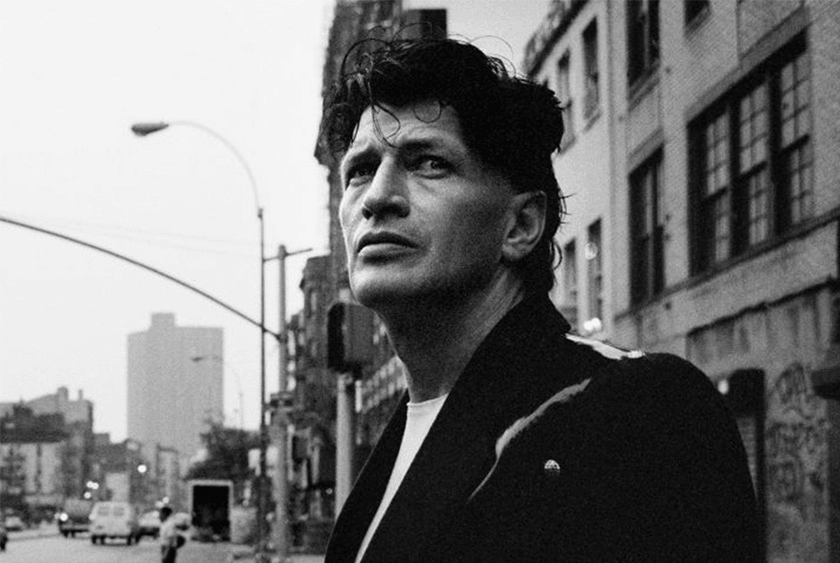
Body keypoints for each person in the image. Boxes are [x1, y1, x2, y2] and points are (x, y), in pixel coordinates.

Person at [321, 36, 761, 563]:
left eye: (429, 163)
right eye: (360, 170)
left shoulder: (637, 410)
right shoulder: (400, 444)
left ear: (521, 225)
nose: (377, 197)